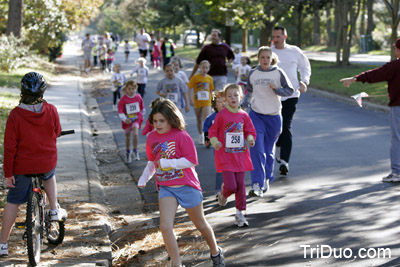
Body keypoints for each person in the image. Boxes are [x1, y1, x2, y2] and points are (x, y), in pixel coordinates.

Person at [137, 99, 225, 267]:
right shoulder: (152, 138)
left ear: (171, 118)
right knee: (165, 227)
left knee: (200, 224)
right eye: (155, 121)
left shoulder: (181, 136)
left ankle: (215, 252)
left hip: (187, 185)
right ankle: (177, 263)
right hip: (166, 188)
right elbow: (152, 162)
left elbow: (192, 161)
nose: (158, 124)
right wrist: (144, 178)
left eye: (162, 121)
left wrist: (170, 163)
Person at [0, 72, 68, 257]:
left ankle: (2, 244)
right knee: (49, 174)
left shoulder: (15, 115)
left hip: (22, 167)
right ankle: (54, 209)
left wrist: (8, 174)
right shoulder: (51, 110)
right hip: (45, 162)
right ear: (42, 92)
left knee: (13, 202)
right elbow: (57, 131)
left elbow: (9, 148)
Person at [340, 38, 400, 183]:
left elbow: (375, 74)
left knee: (397, 139)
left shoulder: (395, 66)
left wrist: (354, 79)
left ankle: (397, 172)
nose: (395, 51)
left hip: (398, 108)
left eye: (396, 49)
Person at [242, 46, 294, 197]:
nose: (265, 60)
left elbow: (289, 90)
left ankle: (266, 178)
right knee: (257, 150)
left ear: (271, 58)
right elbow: (249, 93)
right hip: (256, 115)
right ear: (258, 58)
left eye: (267, 57)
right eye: (262, 57)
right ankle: (257, 184)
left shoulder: (278, 72)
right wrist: (243, 107)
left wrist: (277, 89)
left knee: (268, 152)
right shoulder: (253, 73)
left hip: (274, 116)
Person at [208, 84, 256, 227]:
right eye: (229, 96)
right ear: (225, 99)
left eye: (236, 95)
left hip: (240, 156)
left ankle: (240, 214)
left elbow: (249, 131)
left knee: (240, 186)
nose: (233, 98)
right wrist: (215, 141)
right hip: (226, 156)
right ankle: (224, 193)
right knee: (231, 185)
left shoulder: (244, 115)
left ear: (241, 97)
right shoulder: (222, 115)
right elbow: (213, 132)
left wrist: (250, 139)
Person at [271, 26, 311, 176]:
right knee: (276, 126)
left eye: (278, 37)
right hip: (273, 95)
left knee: (286, 125)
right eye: (273, 37)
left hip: (291, 95)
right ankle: (278, 146)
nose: (275, 40)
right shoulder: (269, 52)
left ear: (285, 37)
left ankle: (285, 161)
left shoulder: (295, 51)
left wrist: (304, 82)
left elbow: (305, 67)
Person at [203, 91, 226, 199]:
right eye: (219, 101)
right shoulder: (211, 118)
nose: (223, 104)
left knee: (232, 168)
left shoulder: (233, 115)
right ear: (214, 104)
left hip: (231, 146)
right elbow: (207, 128)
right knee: (220, 168)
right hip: (218, 147)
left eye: (224, 101)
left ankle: (232, 187)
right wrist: (207, 139)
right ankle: (219, 190)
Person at [187, 60, 214, 144]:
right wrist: (191, 100)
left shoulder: (209, 78)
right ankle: (200, 135)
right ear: (199, 68)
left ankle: (207, 137)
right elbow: (188, 88)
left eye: (206, 67)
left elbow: (211, 90)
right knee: (199, 119)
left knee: (206, 119)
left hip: (207, 102)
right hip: (197, 102)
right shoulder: (195, 78)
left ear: (209, 68)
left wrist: (213, 101)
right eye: (203, 67)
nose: (204, 69)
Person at [118, 80, 144, 163]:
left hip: (136, 119)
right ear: (126, 89)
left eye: (133, 89)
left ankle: (135, 151)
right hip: (127, 120)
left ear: (135, 89)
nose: (131, 91)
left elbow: (142, 108)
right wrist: (125, 119)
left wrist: (140, 115)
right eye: (129, 89)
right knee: (128, 137)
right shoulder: (123, 100)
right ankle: (128, 152)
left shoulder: (138, 97)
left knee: (135, 134)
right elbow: (120, 111)